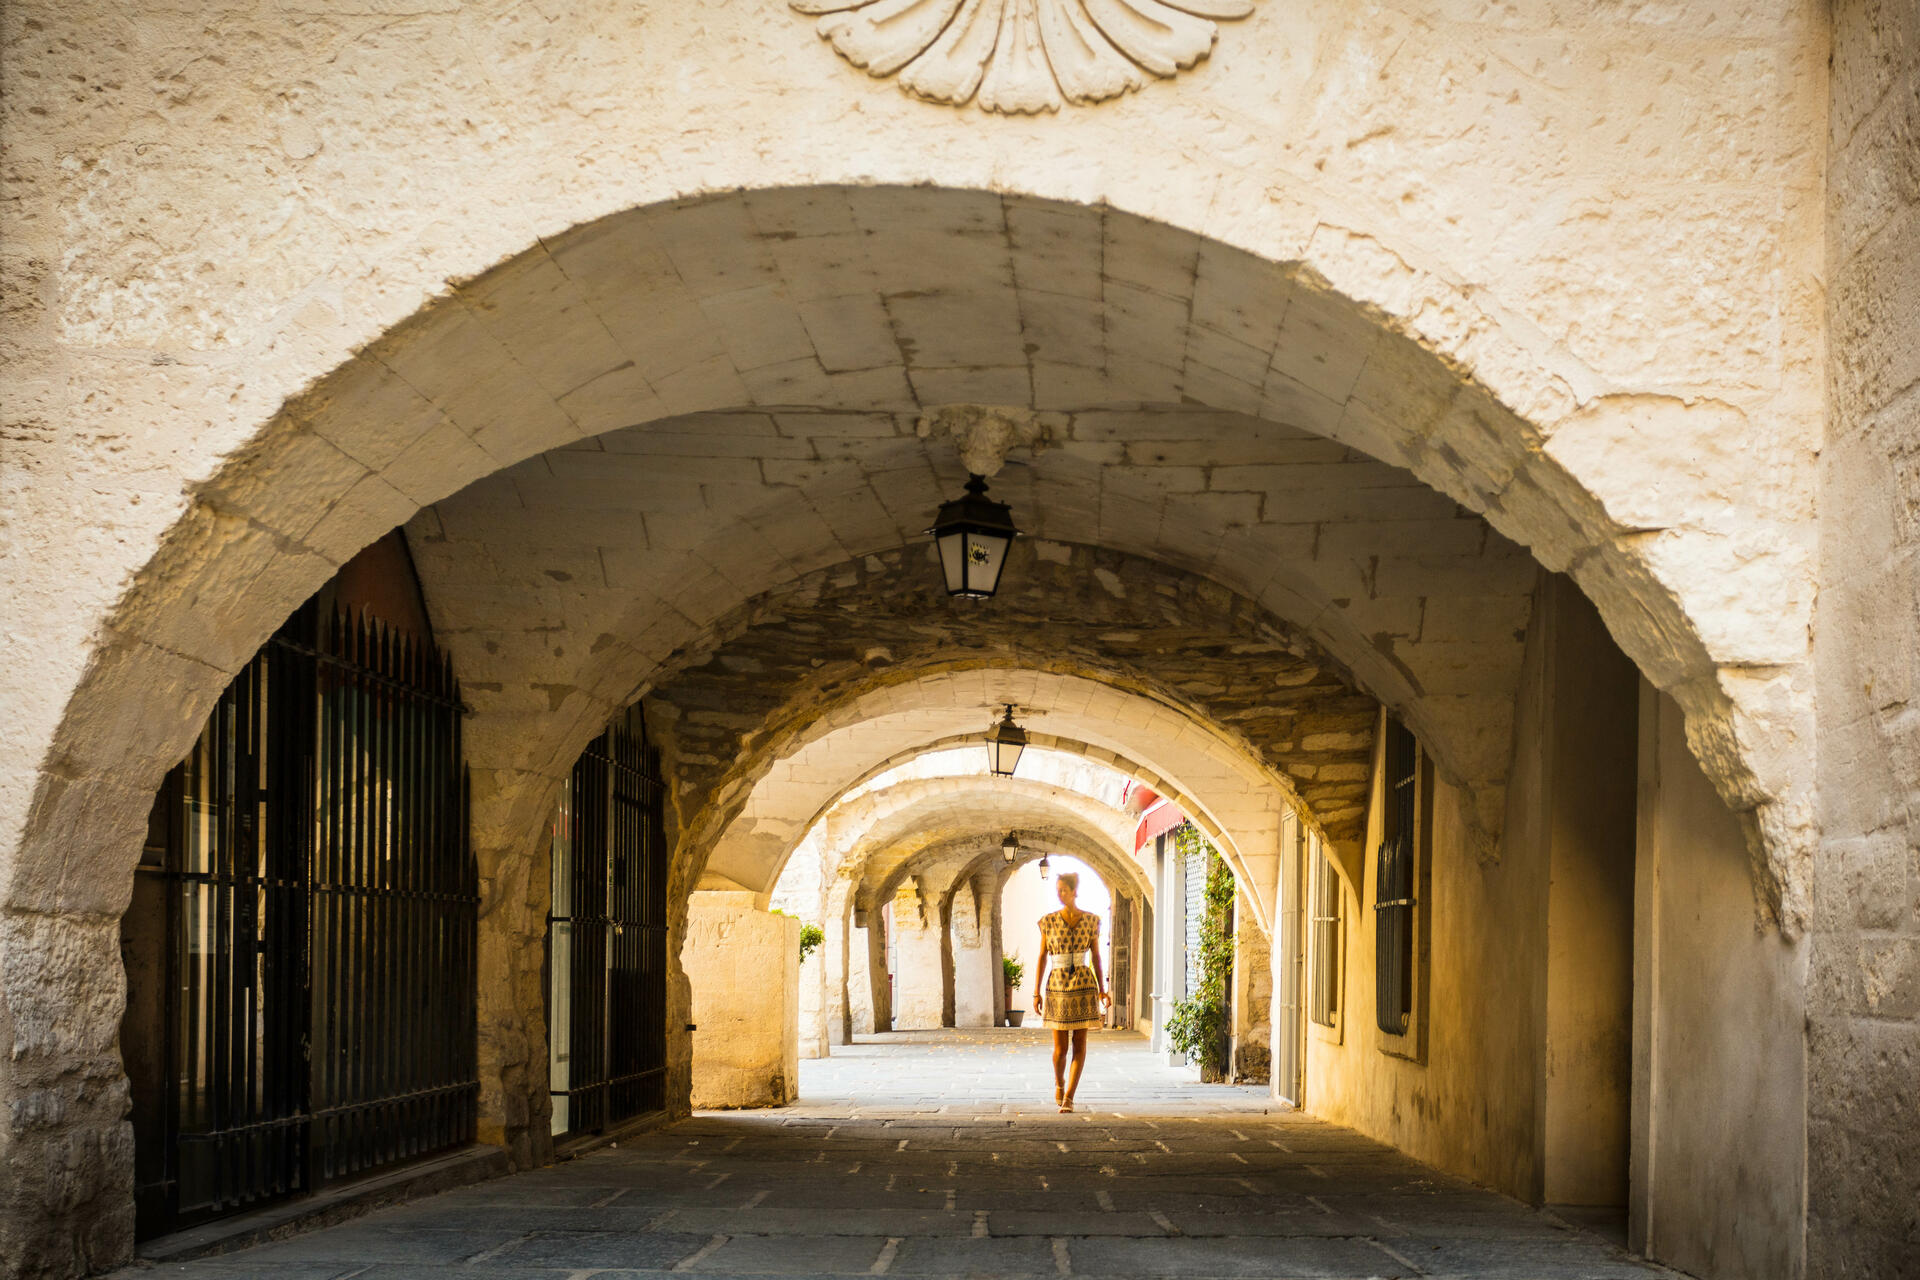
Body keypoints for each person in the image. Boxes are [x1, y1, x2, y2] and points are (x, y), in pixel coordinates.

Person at [1032, 871, 1110, 1112]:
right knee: (1060, 1048)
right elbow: (1042, 956)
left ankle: (1069, 1097)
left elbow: (1096, 955)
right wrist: (1036, 992)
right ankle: (1059, 1082)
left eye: (1064, 889)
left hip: (1084, 984)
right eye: (1058, 890)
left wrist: (1102, 990)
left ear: (1075, 891)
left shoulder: (1091, 920)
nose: (1060, 894)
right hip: (1057, 985)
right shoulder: (1048, 921)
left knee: (1080, 1044)